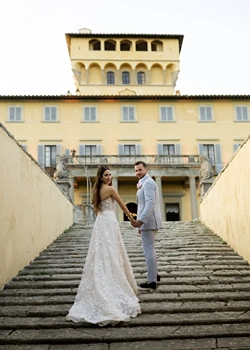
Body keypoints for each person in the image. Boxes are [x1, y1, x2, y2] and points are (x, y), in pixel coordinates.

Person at [66, 166, 141, 326]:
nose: (109, 177)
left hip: (100, 222)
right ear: (101, 177)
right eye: (106, 175)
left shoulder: (95, 191)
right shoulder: (110, 189)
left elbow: (96, 209)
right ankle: (114, 286)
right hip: (109, 221)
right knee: (112, 253)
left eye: (110, 175)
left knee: (101, 253)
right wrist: (132, 219)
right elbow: (122, 205)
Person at [132, 161, 163, 290]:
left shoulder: (148, 182)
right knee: (151, 249)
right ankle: (155, 274)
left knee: (148, 250)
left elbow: (150, 203)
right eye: (136, 170)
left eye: (140, 170)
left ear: (146, 169)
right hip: (148, 223)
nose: (138, 172)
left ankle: (151, 281)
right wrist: (141, 226)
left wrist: (141, 221)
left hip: (149, 221)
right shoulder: (144, 182)